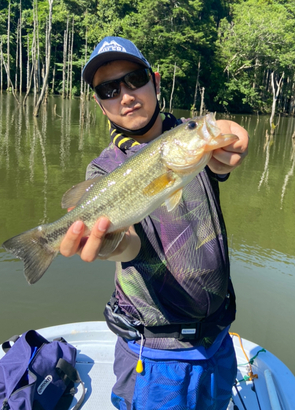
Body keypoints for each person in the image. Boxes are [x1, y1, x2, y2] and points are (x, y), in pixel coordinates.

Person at [59, 36, 249, 410]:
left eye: (134, 80)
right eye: (109, 89)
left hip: (217, 338)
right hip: (153, 351)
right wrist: (114, 244)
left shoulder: (191, 142)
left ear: (156, 82)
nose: (126, 96)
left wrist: (232, 141)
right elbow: (128, 245)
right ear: (99, 105)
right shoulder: (103, 170)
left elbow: (223, 149)